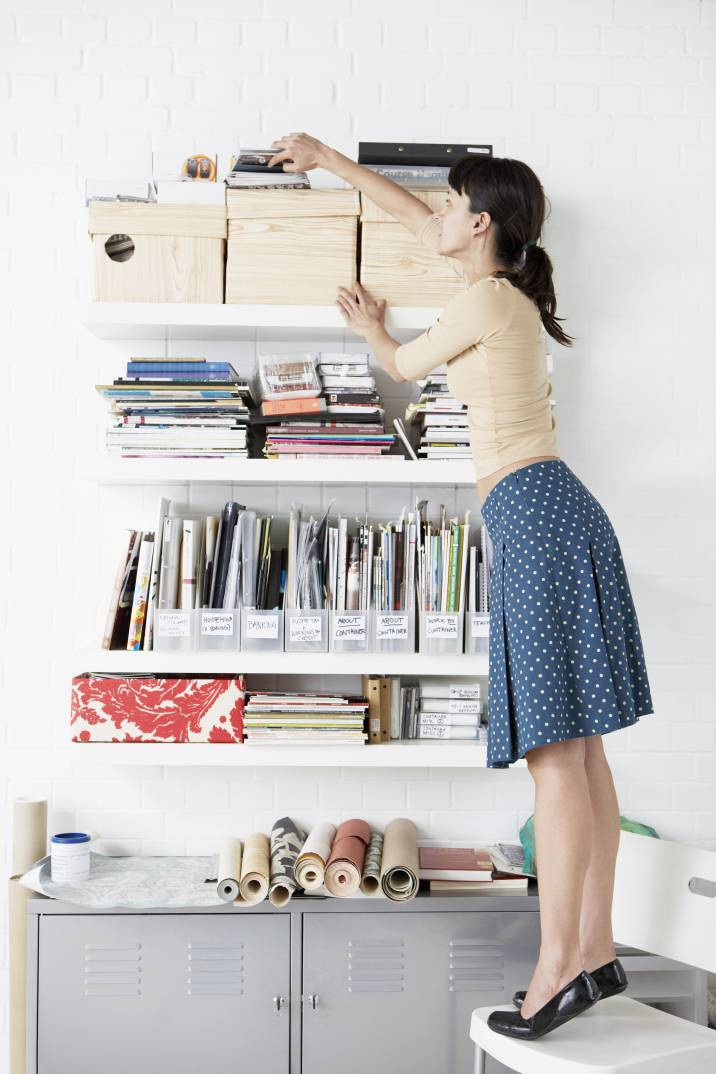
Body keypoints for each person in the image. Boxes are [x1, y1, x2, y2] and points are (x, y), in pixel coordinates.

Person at [269, 134, 655, 1040]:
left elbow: (402, 367)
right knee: (583, 755)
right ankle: (593, 953)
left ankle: (560, 966)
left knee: (557, 759)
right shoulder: (496, 291)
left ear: (479, 226)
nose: (432, 213)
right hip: (555, 512)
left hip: (534, 515)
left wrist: (369, 329)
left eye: (448, 206)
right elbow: (410, 215)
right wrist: (328, 158)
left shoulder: (485, 297)